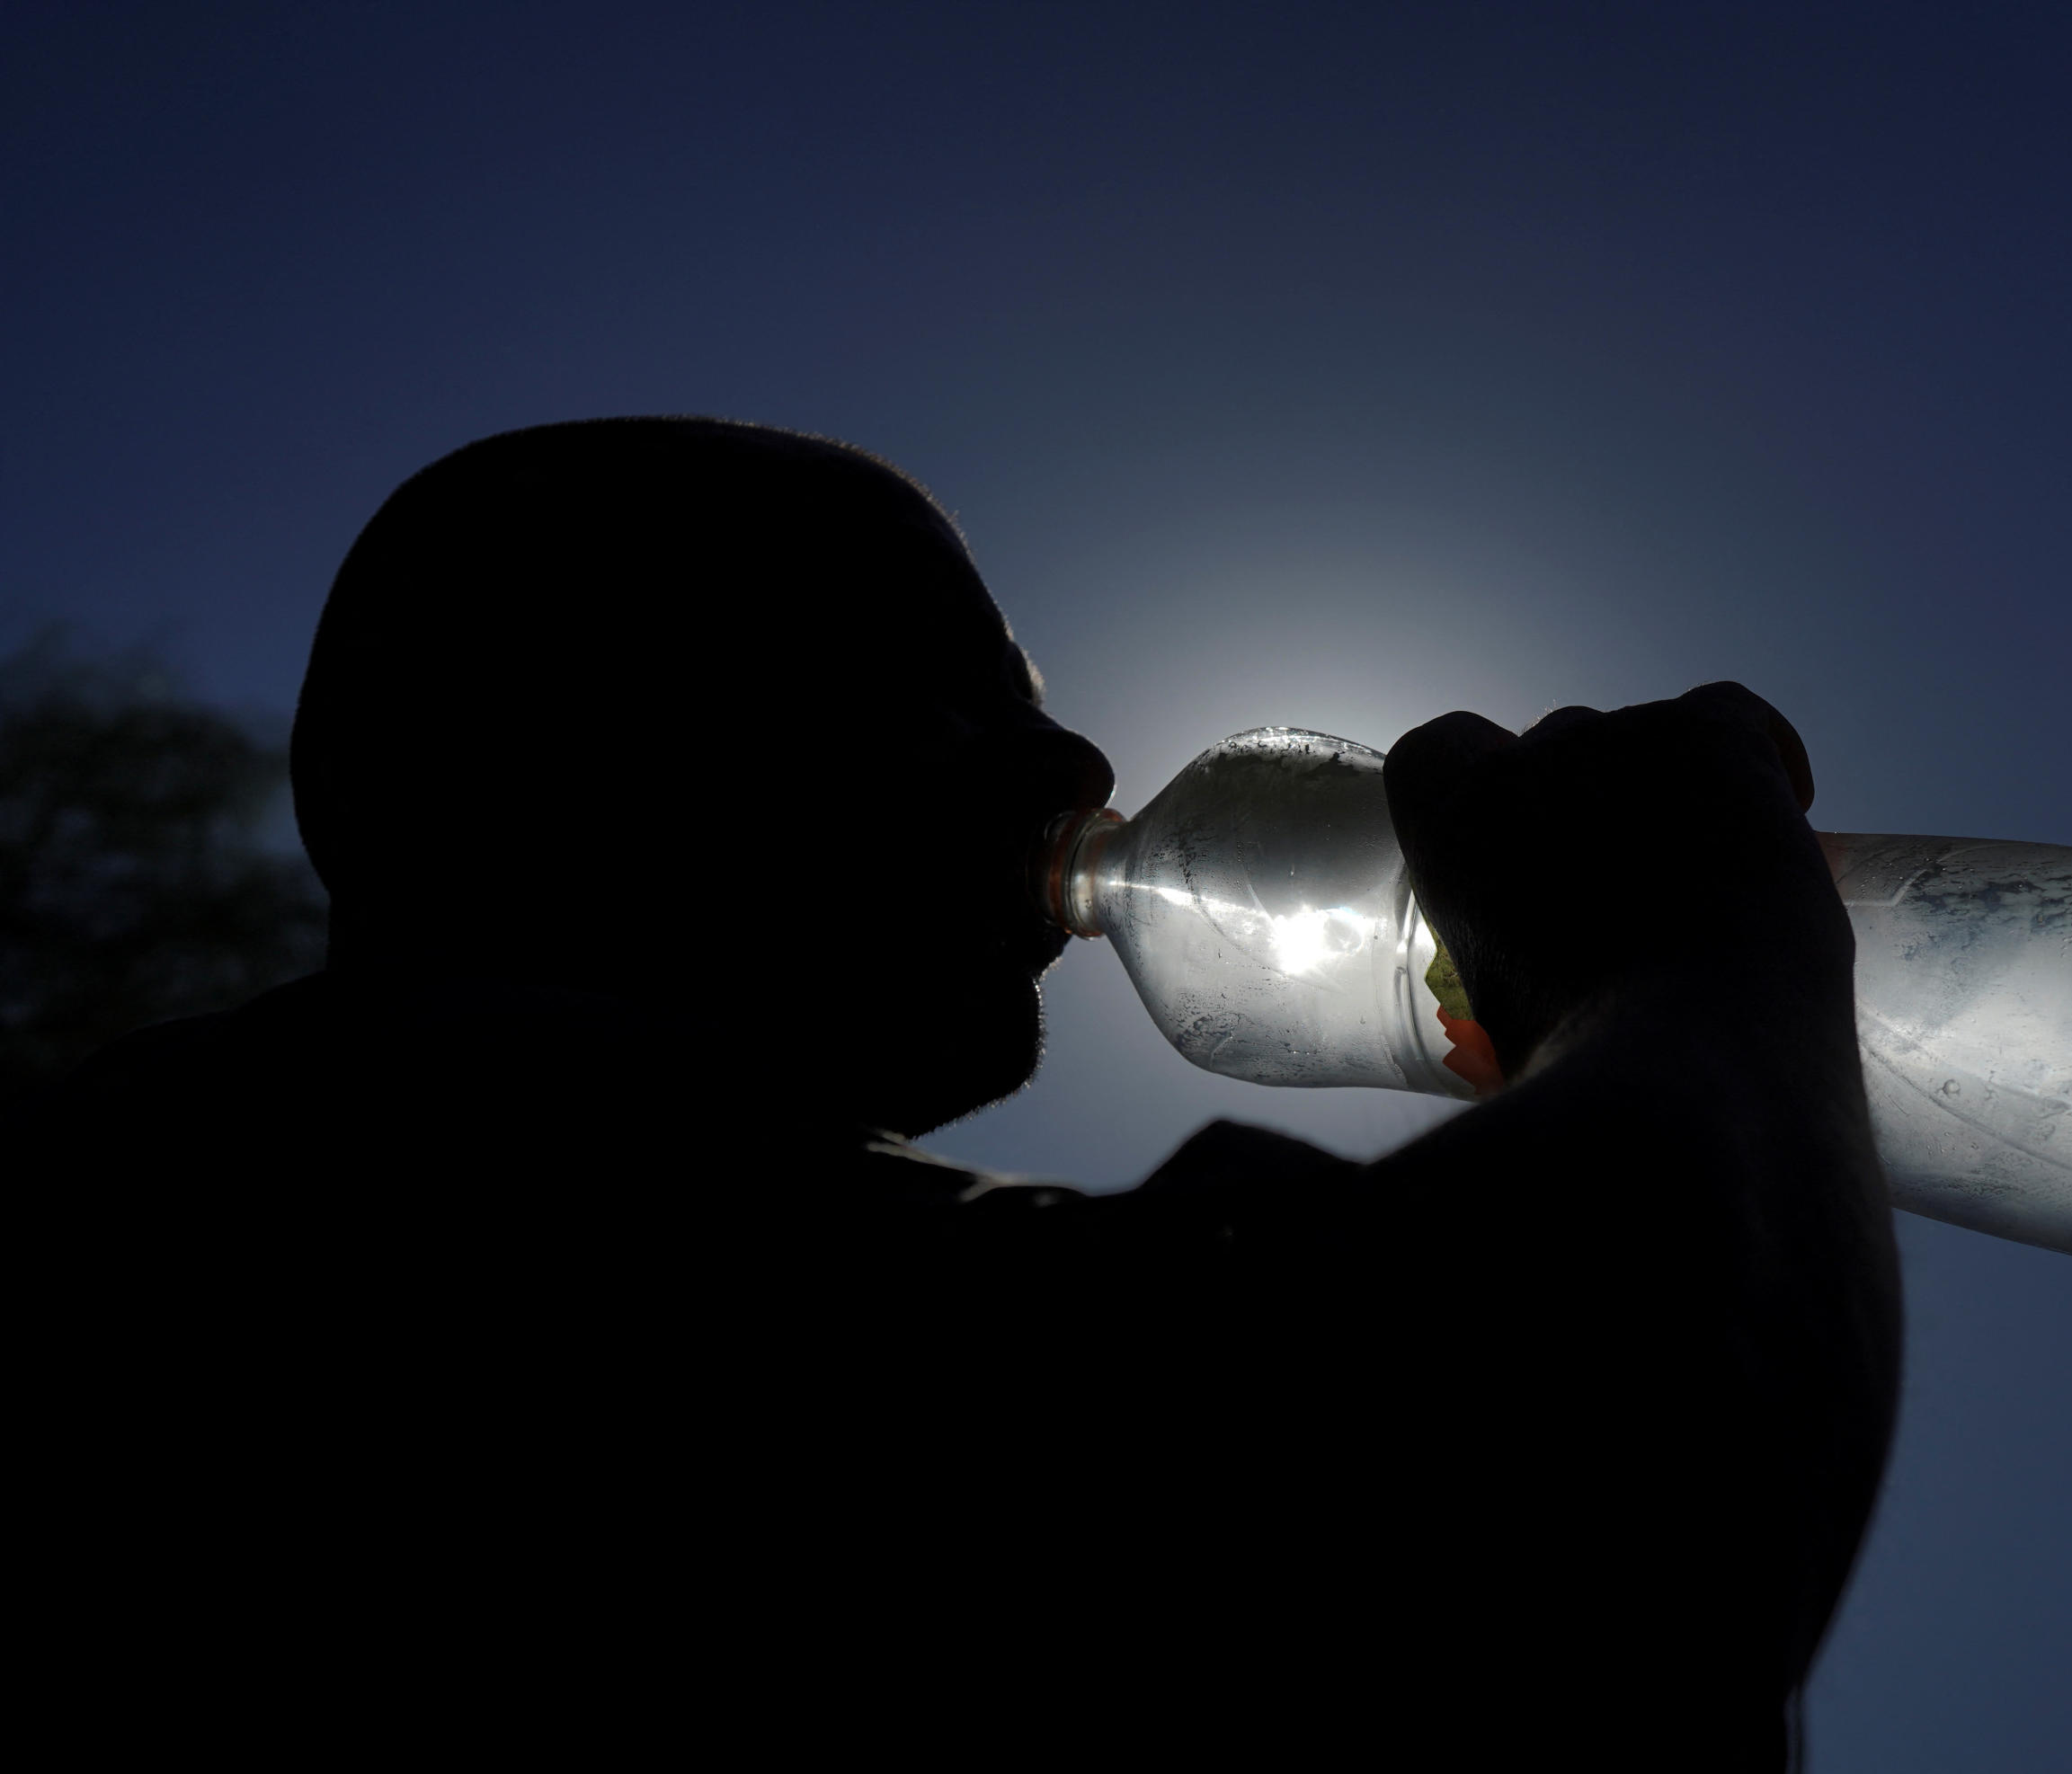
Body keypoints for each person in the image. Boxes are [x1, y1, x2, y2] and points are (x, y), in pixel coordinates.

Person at [16, 418, 1899, 1767]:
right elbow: (1546, 1497)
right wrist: (1712, 962)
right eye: (937, 692)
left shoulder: (678, 1241)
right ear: (572, 742)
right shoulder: (337, 1200)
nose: (1073, 751)